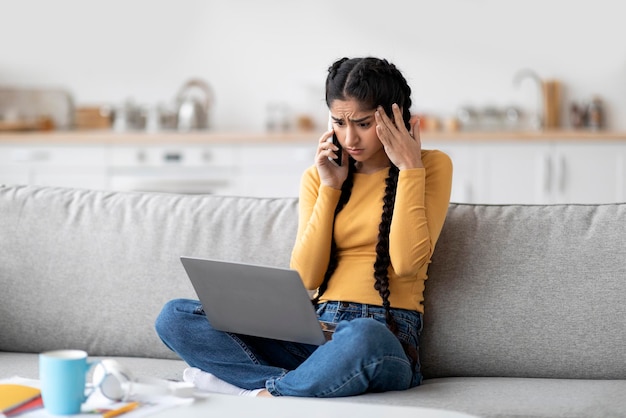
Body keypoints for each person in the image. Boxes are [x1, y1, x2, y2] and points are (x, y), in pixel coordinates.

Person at [155, 56, 453, 398]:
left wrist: (410, 167)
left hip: (383, 340)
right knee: (174, 317)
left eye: (363, 123)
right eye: (339, 123)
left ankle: (263, 393)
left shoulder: (430, 166)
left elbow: (407, 263)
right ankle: (304, 383)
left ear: (395, 116)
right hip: (314, 333)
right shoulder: (319, 176)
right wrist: (330, 188)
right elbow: (307, 278)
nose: (349, 137)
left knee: (362, 336)